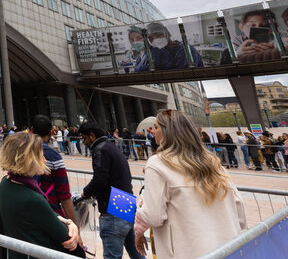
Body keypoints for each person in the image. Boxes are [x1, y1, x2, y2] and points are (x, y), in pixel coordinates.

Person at [134, 110, 247, 258]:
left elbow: (154, 215)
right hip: (227, 249)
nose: (152, 132)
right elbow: (240, 215)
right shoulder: (214, 163)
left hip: (186, 252)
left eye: (156, 127)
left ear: (168, 131)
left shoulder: (157, 164)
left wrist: (138, 229)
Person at [0, 132, 80, 258]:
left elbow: (47, 214)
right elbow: (66, 238)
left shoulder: (5, 183)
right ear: (28, 160)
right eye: (41, 157)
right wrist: (72, 224)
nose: (45, 161)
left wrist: (68, 222)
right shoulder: (32, 198)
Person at [78, 121, 144, 259]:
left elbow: (99, 179)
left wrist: (85, 193)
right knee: (135, 253)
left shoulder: (100, 149)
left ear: (92, 135)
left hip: (112, 209)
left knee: (112, 256)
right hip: (126, 203)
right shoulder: (111, 146)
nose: (84, 142)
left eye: (84, 138)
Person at [30, 115, 79, 224]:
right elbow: (64, 195)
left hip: (26, 214)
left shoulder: (21, 152)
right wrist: (75, 226)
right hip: (50, 215)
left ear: (32, 130)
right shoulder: (53, 156)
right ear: (51, 132)